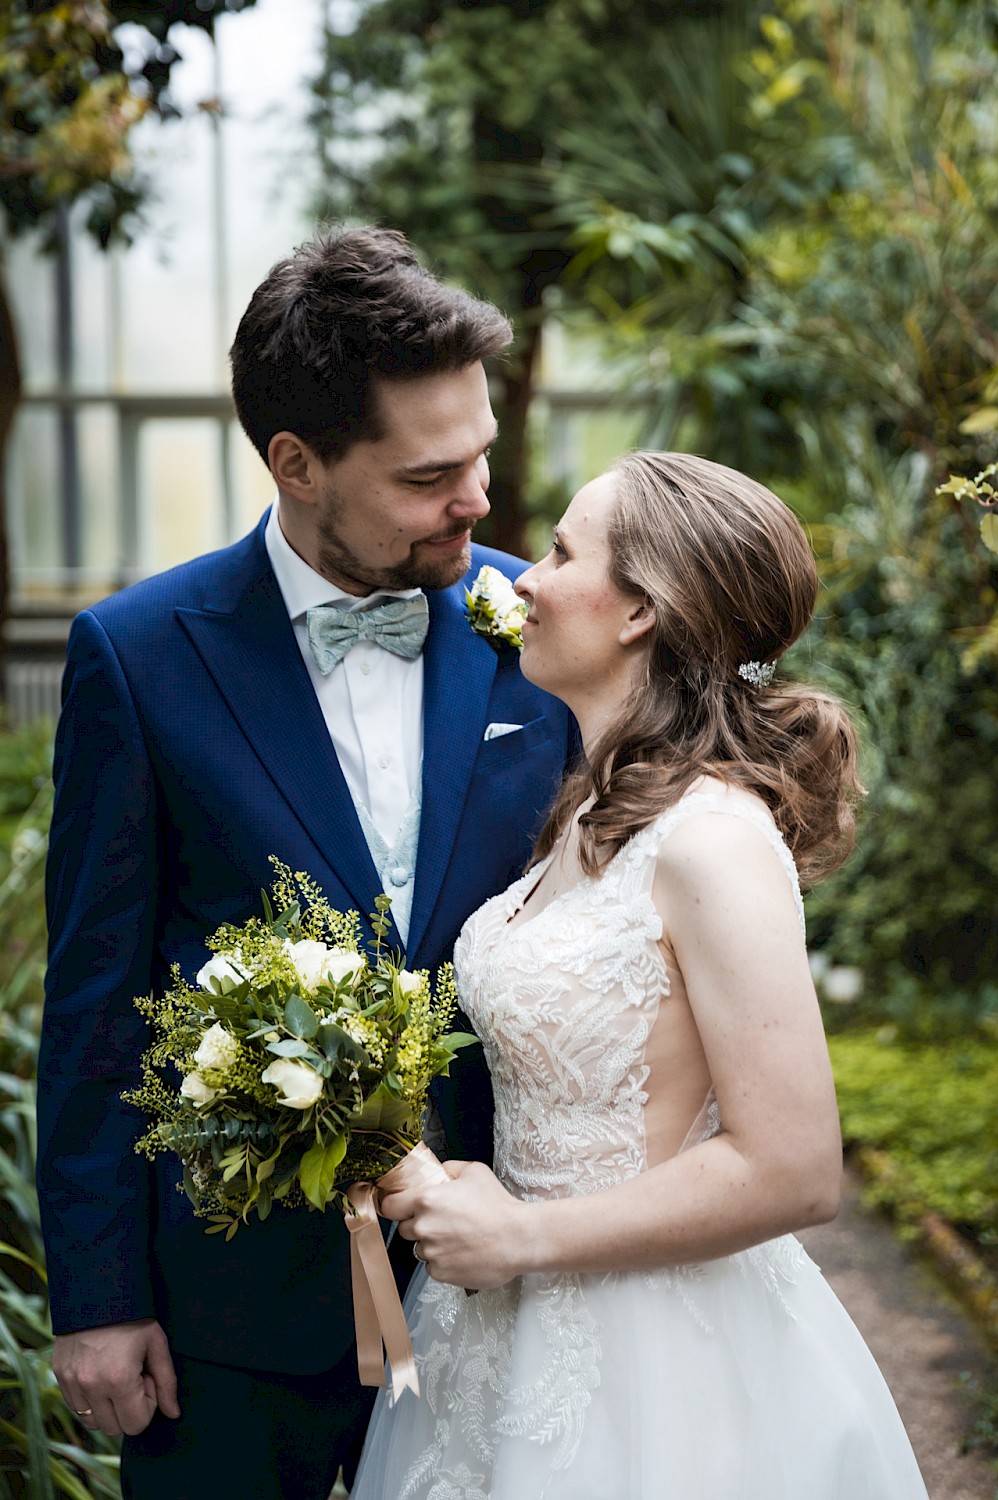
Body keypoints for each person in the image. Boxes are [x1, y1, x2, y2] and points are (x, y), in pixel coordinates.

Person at [36, 225, 572, 1500]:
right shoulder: (138, 654)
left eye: (483, 454)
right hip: (227, 1321)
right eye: (429, 475)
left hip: (509, 1298)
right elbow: (96, 1004)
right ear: (297, 463)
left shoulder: (543, 626)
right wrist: (96, 1302)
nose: (478, 501)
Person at [351, 451, 930, 1499]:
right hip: (496, 1332)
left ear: (637, 614)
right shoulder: (590, 808)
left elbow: (795, 1167)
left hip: (655, 1364)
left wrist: (526, 1234)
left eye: (563, 551)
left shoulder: (711, 839)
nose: (520, 576)